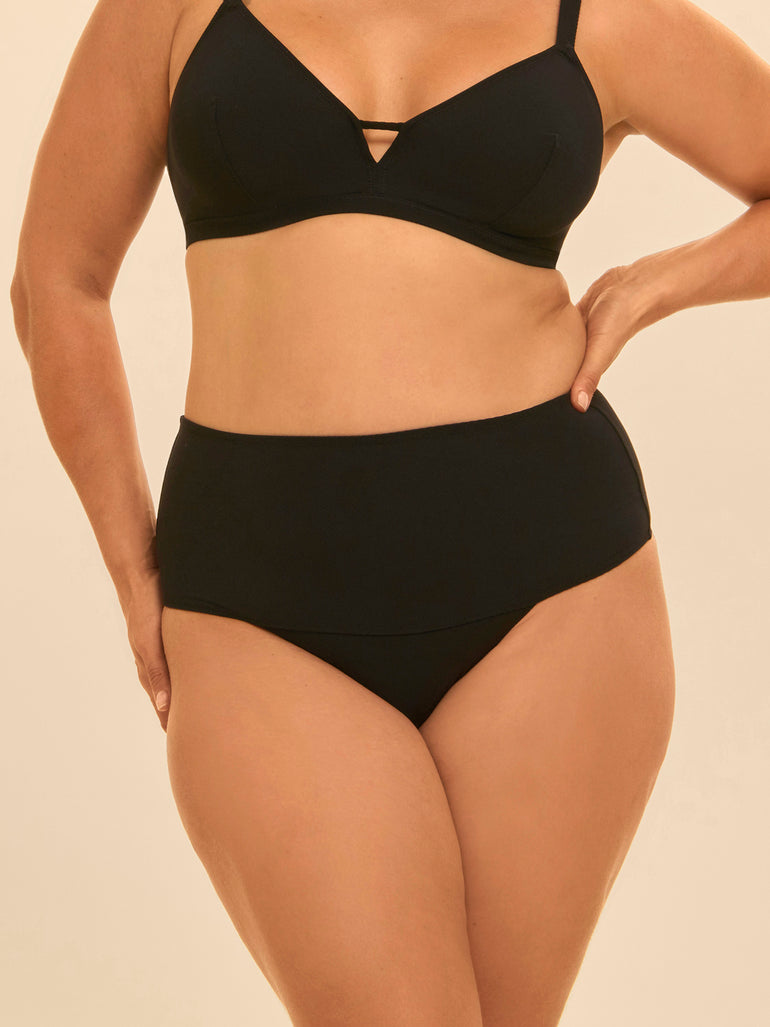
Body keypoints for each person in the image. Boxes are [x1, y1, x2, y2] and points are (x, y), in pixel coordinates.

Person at [11, 0, 770, 1024]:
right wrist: (130, 560)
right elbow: (57, 278)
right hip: (254, 597)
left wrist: (656, 283)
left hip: (554, 587)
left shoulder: (599, 13)